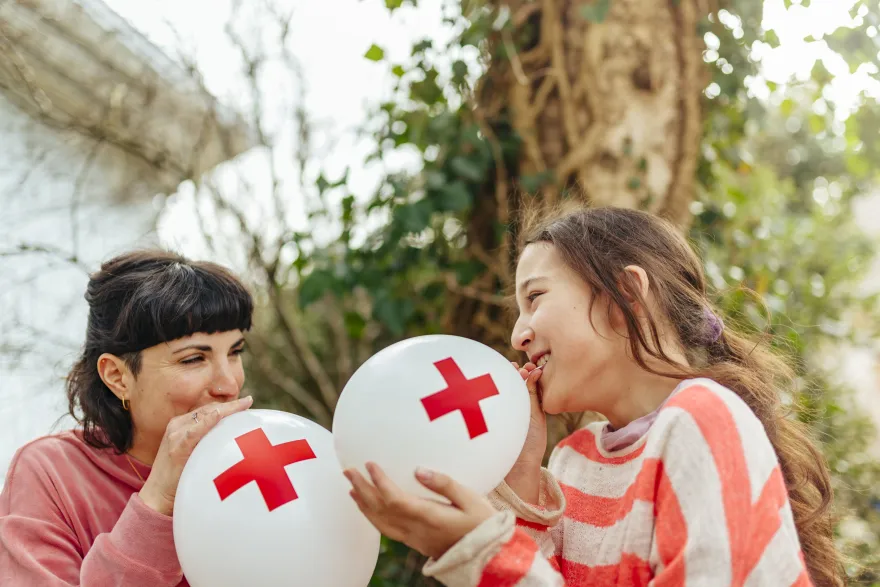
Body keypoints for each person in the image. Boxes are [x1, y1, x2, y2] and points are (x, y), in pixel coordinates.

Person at [346, 207, 843, 586]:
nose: (519, 334)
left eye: (535, 298)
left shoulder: (704, 421)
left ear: (625, 295)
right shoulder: (572, 462)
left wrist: (484, 551)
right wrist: (521, 485)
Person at [0, 250, 255, 586]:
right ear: (118, 376)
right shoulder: (50, 475)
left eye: (235, 352)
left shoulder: (256, 460)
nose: (228, 384)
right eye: (193, 359)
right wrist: (158, 501)